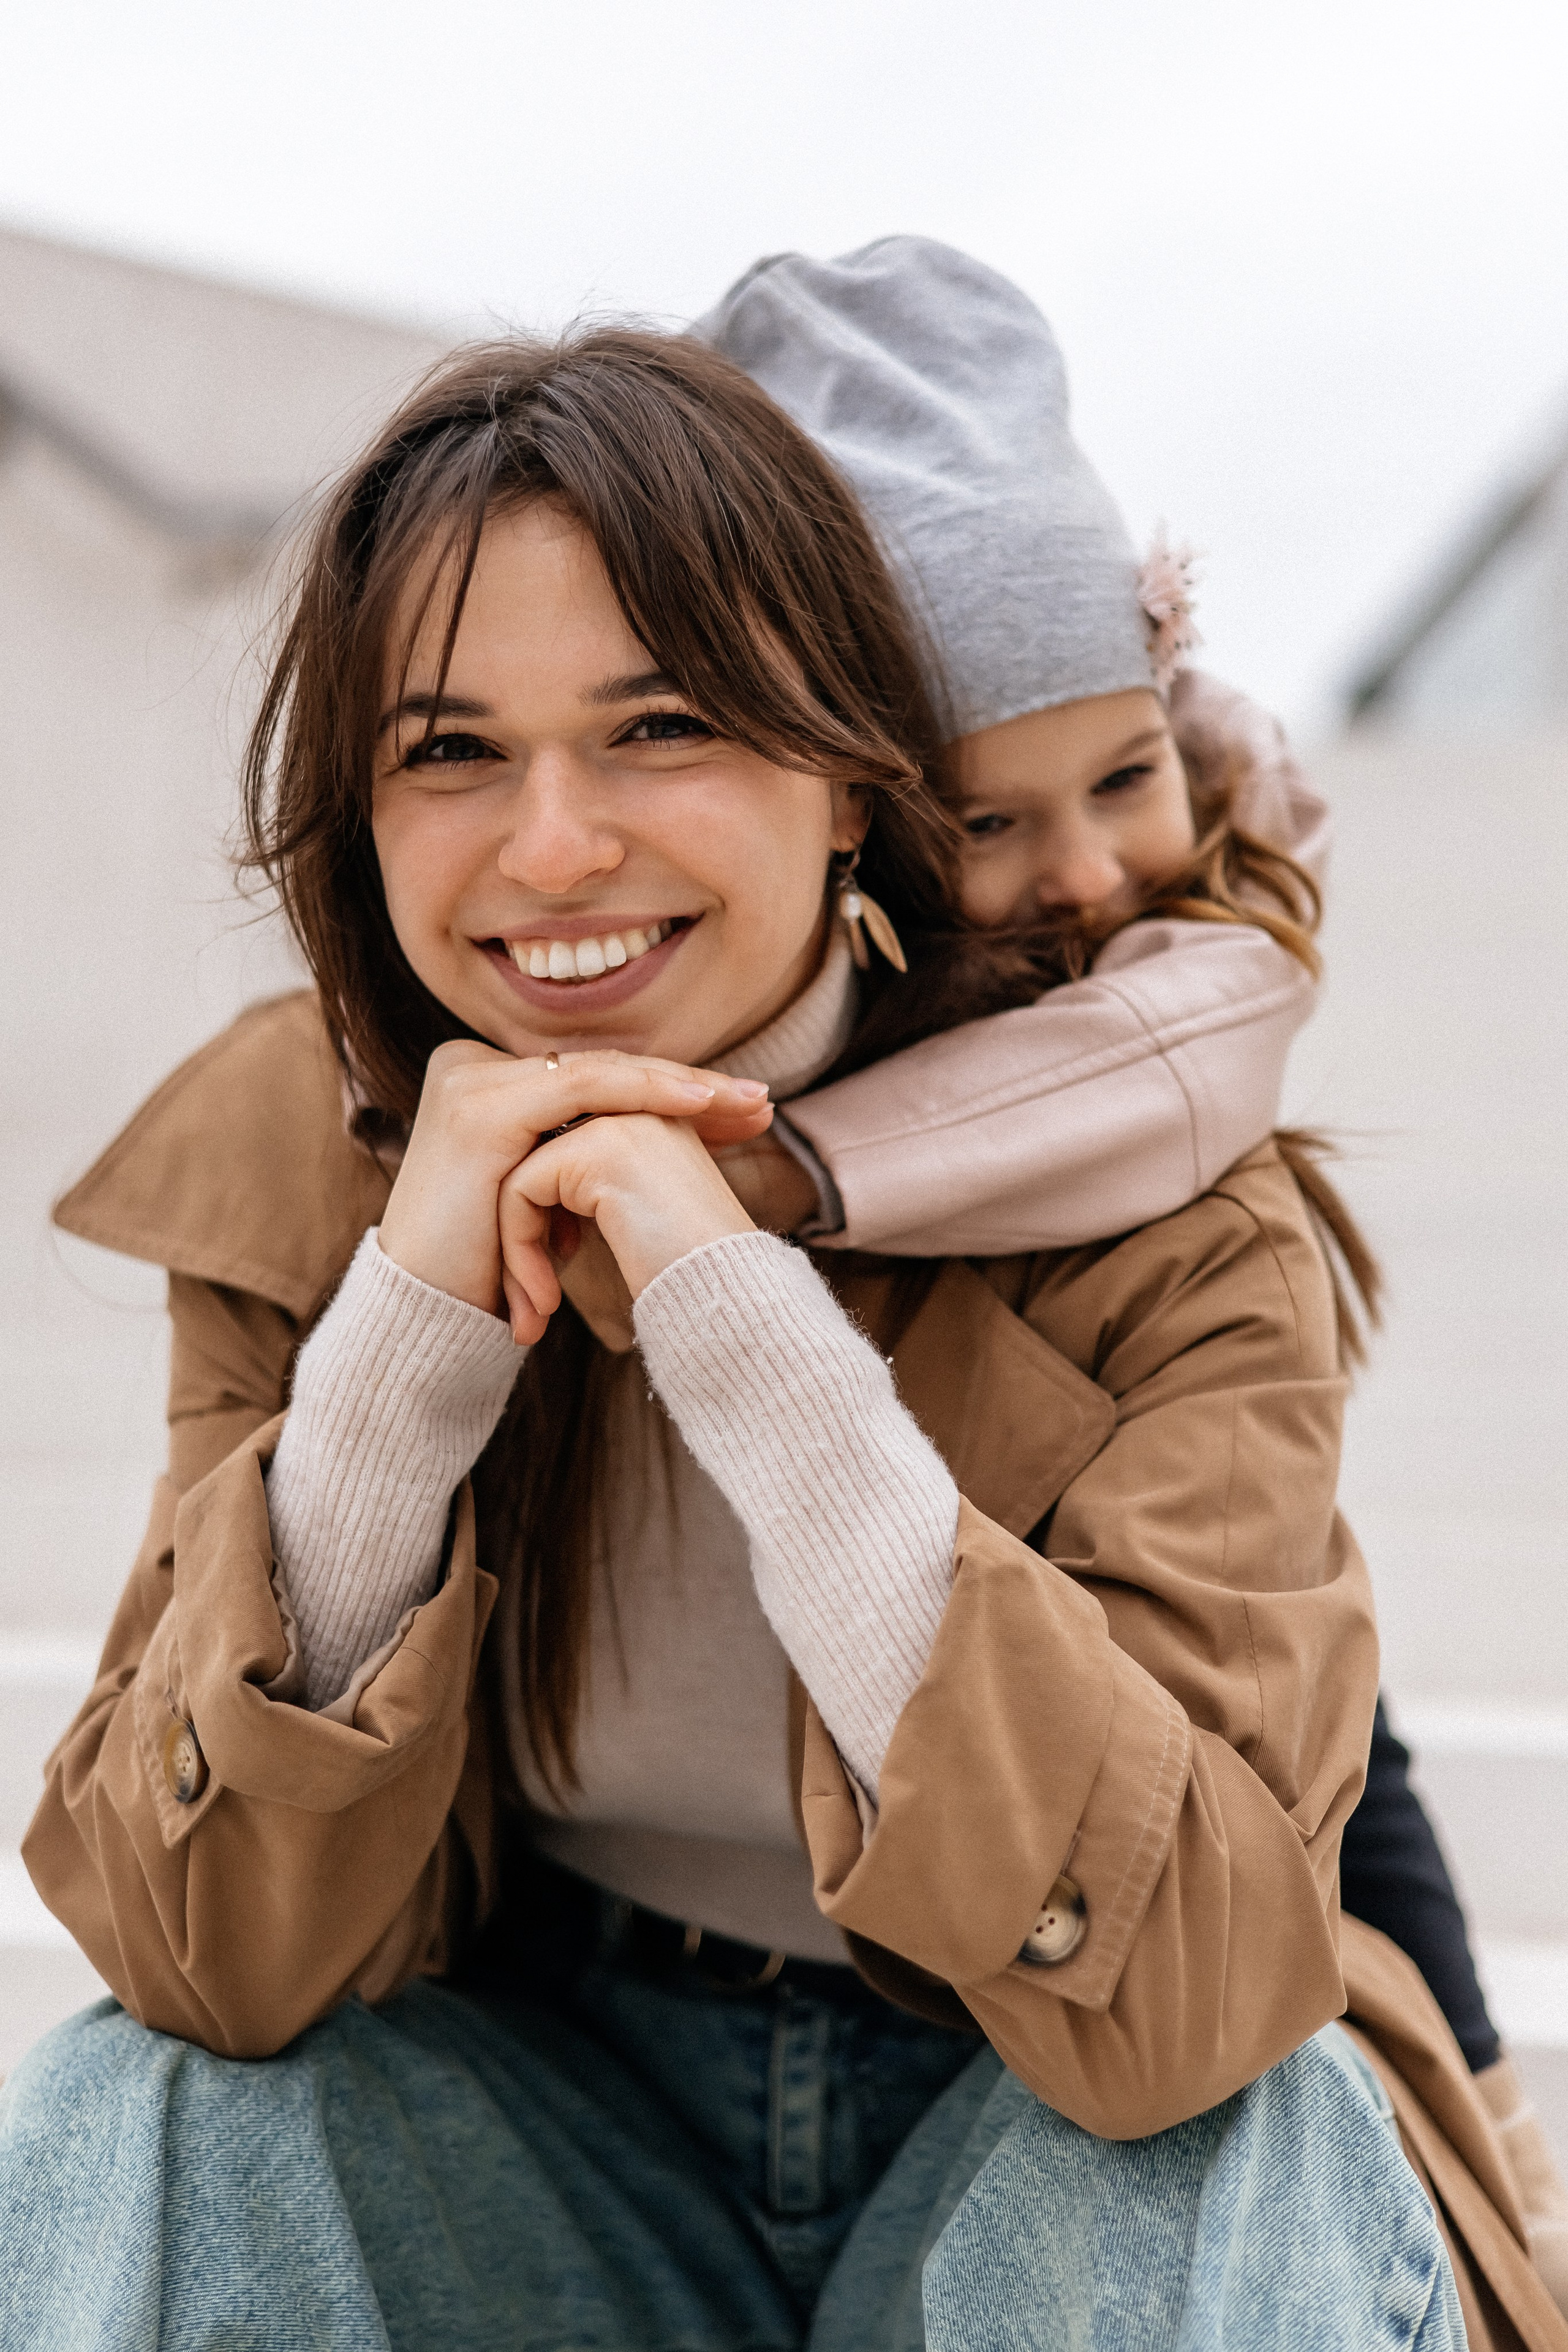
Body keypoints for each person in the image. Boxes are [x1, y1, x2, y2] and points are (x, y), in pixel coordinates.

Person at [2, 326, 1463, 2350]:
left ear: (855, 783)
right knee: (138, 2109)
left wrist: (740, 1318)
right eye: (450, 750)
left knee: (1233, 2138)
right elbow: (198, 1956)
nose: (554, 849)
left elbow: (1189, 2000)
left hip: (1031, 2110)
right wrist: (403, 1351)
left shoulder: (1161, 1209)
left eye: (661, 724)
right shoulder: (302, 1163)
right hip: (557, 2125)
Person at [696, 236, 1568, 2329]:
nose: (1092, 869)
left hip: (1134, 1813)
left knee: (1308, 1722)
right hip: (868, 1843)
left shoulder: (1184, 1007)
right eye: (992, 821)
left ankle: (1501, 2166)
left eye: (1123, 776)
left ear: (1171, 703)